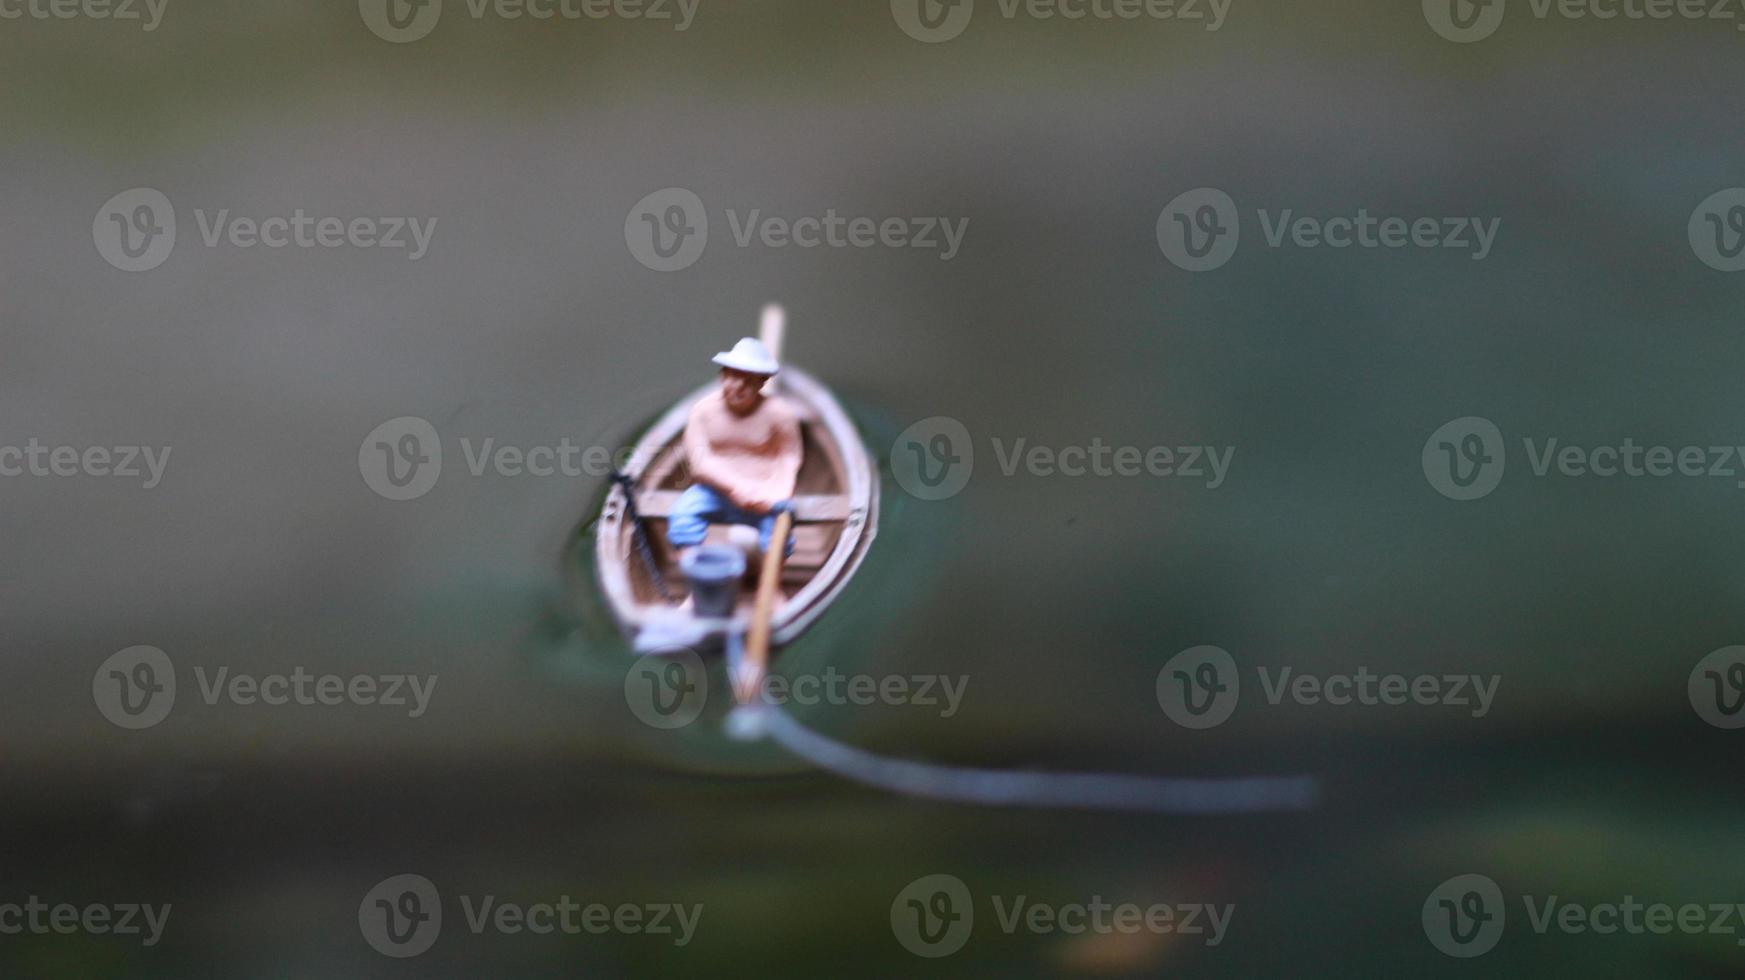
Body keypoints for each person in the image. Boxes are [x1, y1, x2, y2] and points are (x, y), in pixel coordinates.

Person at [667, 337, 801, 559]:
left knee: (780, 527)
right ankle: (697, 581)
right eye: (732, 376)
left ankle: (772, 586)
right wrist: (736, 489)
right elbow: (701, 464)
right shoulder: (702, 412)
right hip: (715, 491)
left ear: (762, 383)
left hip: (765, 493)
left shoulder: (780, 414)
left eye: (748, 380)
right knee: (683, 514)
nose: (737, 387)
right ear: (722, 376)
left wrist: (779, 491)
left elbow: (789, 456)